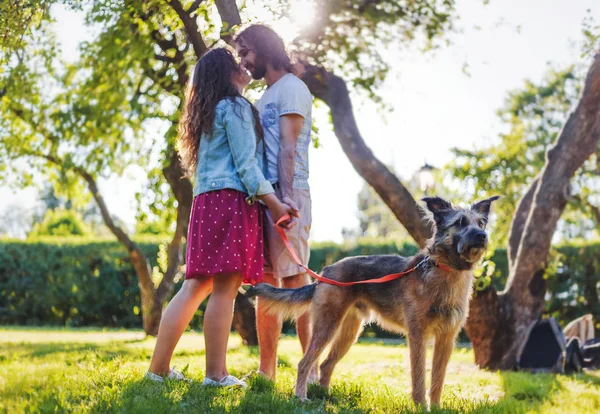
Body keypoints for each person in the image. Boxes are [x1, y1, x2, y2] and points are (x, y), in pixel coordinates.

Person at [145, 47, 295, 387]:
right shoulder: (237, 107)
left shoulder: (208, 111)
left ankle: (158, 370)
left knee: (194, 286)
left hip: (205, 202)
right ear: (227, 74)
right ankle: (216, 375)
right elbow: (246, 166)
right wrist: (275, 205)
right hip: (231, 201)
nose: (244, 66)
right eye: (237, 63)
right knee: (225, 287)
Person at [235, 25, 316, 381]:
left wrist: (283, 200)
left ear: (263, 49)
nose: (244, 61)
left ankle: (310, 369)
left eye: (246, 52)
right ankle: (266, 370)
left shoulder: (293, 89)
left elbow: (288, 146)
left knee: (297, 281)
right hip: (266, 197)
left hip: (289, 194)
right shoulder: (263, 96)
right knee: (267, 283)